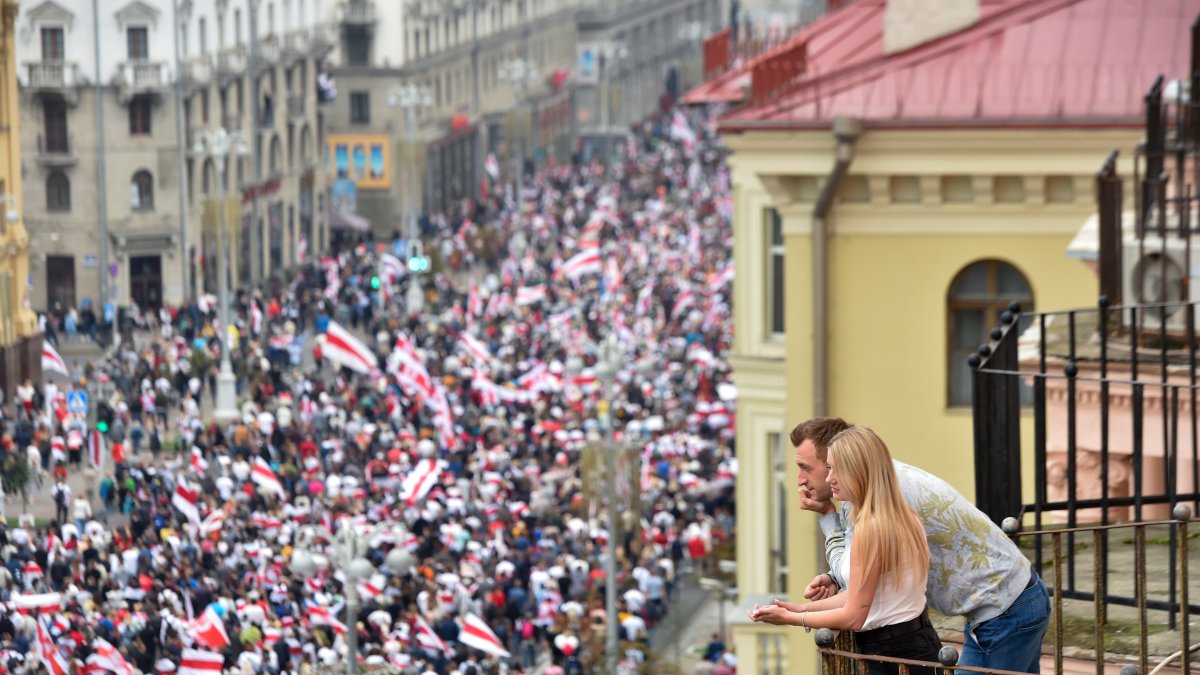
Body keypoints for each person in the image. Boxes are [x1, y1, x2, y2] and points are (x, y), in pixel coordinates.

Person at [790, 417, 1050, 673]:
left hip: (1004, 608)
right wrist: (835, 578)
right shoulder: (881, 482)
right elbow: (867, 563)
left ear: (838, 460)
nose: (800, 480)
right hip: (1016, 595)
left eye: (807, 467)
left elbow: (858, 583)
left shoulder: (876, 500)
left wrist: (826, 517)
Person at [749, 426, 941, 674]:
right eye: (828, 469)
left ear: (859, 471)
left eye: (837, 470)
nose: (830, 479)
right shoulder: (902, 516)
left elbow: (853, 616)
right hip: (914, 645)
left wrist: (792, 619)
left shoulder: (870, 528)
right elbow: (862, 595)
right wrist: (798, 608)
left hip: (893, 655)